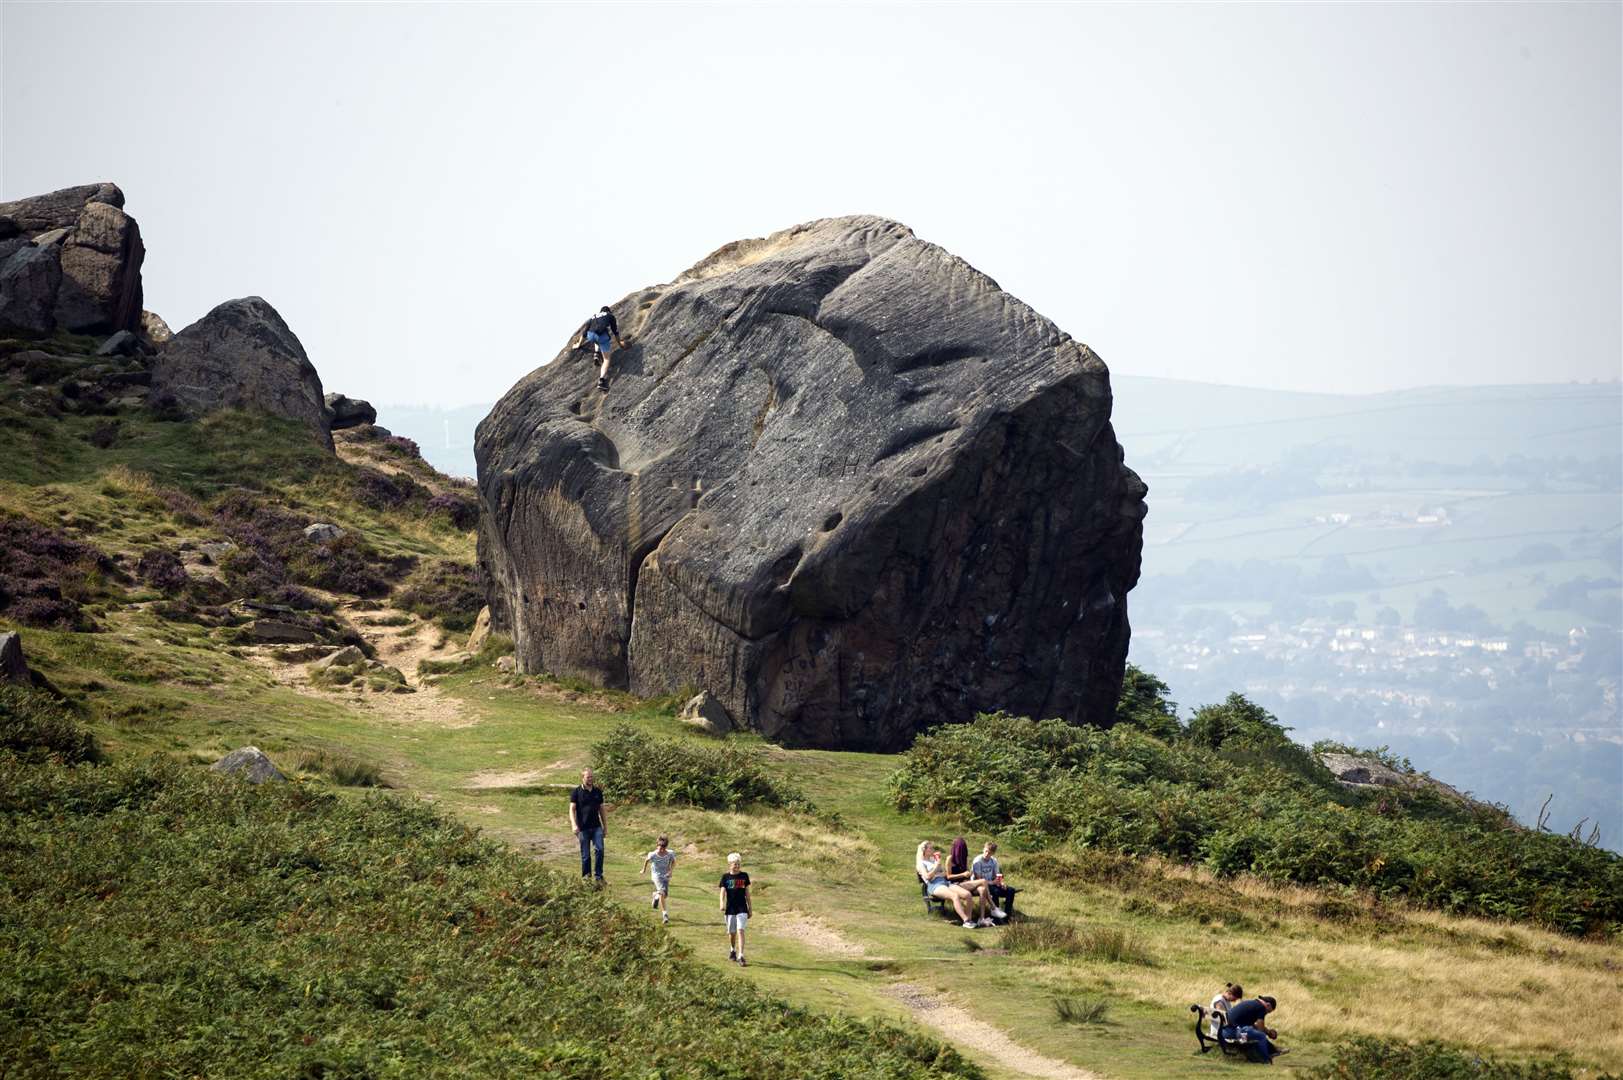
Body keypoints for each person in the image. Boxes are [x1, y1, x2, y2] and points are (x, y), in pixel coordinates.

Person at [916, 840, 981, 929]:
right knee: (955, 896)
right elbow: (927, 877)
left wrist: (938, 867)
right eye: (930, 848)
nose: (932, 849)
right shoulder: (921, 863)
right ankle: (966, 920)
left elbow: (944, 874)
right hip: (935, 885)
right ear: (924, 851)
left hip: (945, 882)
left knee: (967, 894)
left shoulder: (933, 860)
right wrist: (936, 867)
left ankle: (968, 920)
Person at [945, 837, 996, 926]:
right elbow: (948, 876)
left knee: (982, 889)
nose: (962, 852)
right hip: (954, 884)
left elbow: (966, 873)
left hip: (964, 883)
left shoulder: (964, 858)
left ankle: (981, 918)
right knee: (983, 880)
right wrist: (963, 875)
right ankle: (993, 907)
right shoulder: (950, 858)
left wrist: (968, 874)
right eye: (960, 849)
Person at [568, 767, 607, 883]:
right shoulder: (576, 792)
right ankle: (586, 878)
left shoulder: (597, 792)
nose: (590, 779)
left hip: (596, 827)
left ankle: (598, 876)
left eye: (591, 776)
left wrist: (605, 827)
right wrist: (574, 825)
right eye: (588, 777)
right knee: (585, 855)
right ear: (582, 777)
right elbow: (571, 809)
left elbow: (602, 809)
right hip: (582, 828)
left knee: (600, 850)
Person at [575, 305, 624, 391]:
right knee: (606, 359)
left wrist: (579, 344)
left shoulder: (593, 317)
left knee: (596, 338)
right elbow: (615, 331)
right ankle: (602, 381)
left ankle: (597, 353)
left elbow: (584, 333)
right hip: (601, 336)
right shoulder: (610, 316)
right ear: (608, 312)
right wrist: (620, 343)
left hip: (591, 335)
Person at [1222, 995, 1285, 1062]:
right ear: (1268, 1005)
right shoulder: (1261, 1007)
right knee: (1261, 1036)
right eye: (1268, 1011)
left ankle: (1269, 1051)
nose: (1266, 1013)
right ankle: (1265, 1060)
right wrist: (1269, 1033)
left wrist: (1268, 1032)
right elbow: (1260, 1029)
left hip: (1225, 1032)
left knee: (1252, 1033)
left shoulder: (1251, 1003)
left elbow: (1255, 1026)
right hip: (1235, 1032)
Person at [719, 852, 752, 966]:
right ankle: (733, 949)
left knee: (740, 930)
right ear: (729, 864)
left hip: (742, 908)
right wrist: (721, 903)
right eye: (735, 864)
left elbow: (747, 893)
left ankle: (741, 956)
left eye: (738, 864)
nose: (737, 866)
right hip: (730, 909)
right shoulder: (725, 877)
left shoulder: (744, 876)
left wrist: (750, 908)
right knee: (732, 933)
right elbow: (722, 892)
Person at [968, 840, 1010, 920]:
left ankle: (1007, 916)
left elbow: (997, 875)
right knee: (995, 891)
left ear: (993, 853)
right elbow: (979, 880)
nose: (987, 854)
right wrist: (993, 882)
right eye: (986, 851)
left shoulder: (994, 861)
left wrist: (1001, 883)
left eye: (989, 853)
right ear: (983, 849)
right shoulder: (977, 861)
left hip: (991, 883)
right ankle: (996, 916)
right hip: (978, 884)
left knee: (1010, 891)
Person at [642, 834, 677, 925]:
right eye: (660, 847)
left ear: (666, 847)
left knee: (664, 895)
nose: (661, 850)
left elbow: (674, 862)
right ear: (657, 845)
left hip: (666, 876)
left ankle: (655, 896)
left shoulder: (670, 853)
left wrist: (670, 871)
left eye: (663, 848)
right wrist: (644, 870)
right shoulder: (652, 854)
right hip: (656, 876)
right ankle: (665, 915)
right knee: (662, 892)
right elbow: (646, 860)